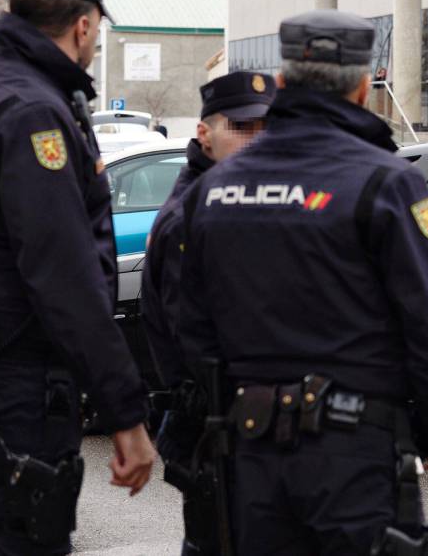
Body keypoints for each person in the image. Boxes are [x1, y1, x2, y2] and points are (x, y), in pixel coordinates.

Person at [177, 10, 428, 554]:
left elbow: (183, 325)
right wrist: (413, 432)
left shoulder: (213, 190)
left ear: (284, 86)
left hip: (246, 457)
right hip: (354, 457)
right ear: (364, 88)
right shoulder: (387, 183)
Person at [0, 0, 155, 555]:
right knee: (25, 539)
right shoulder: (31, 111)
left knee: (6, 532)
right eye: (97, 29)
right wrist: (125, 414)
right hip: (17, 370)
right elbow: (64, 275)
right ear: (84, 25)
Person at [140, 71, 271, 555]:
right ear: (205, 135)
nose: (256, 141)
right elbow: (192, 342)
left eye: (265, 129)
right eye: (242, 129)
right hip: (215, 426)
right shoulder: (190, 216)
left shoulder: (237, 202)